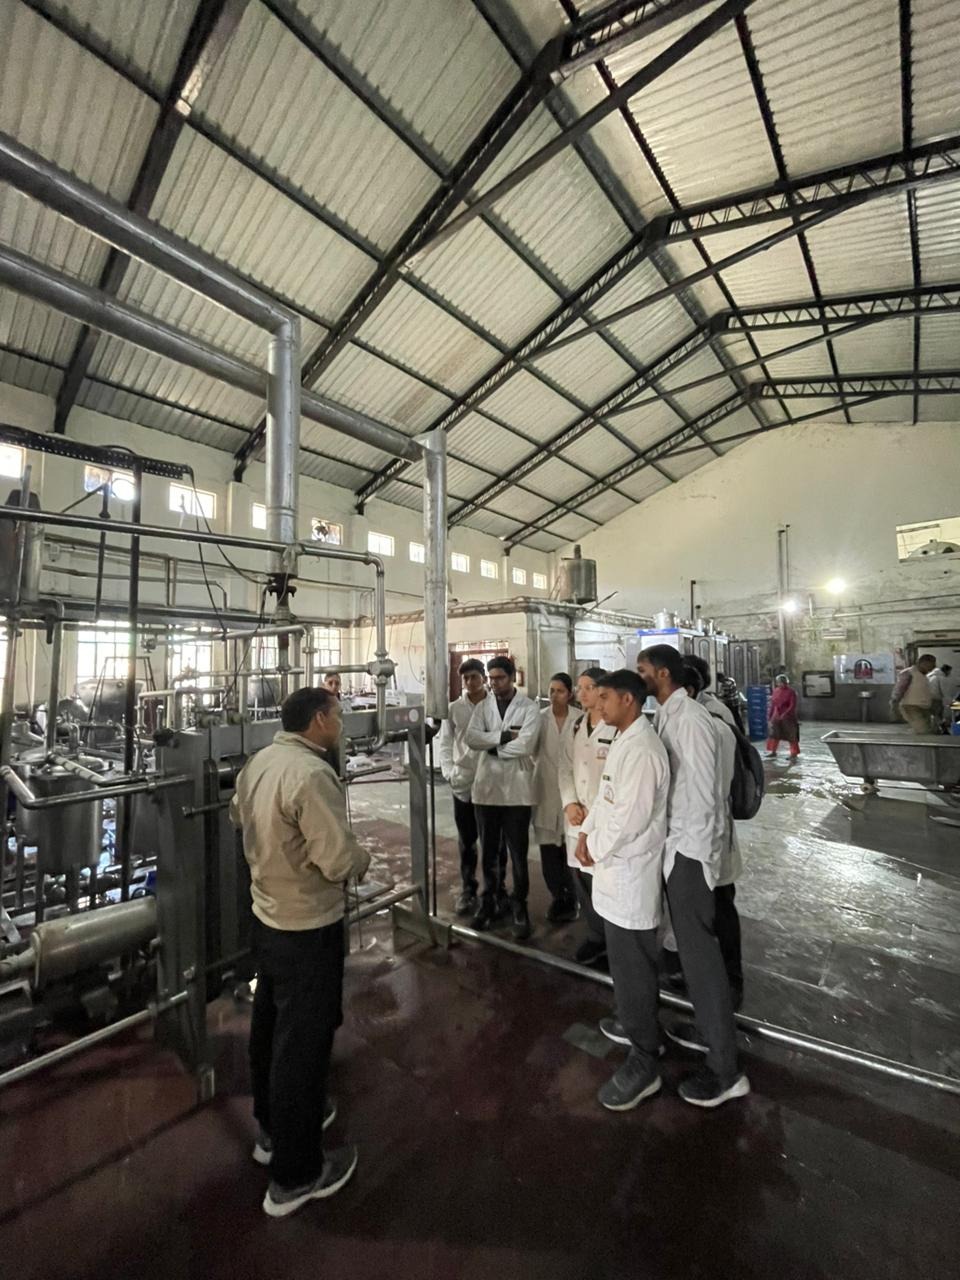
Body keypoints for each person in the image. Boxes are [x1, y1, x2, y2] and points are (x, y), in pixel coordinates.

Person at [230, 687, 369, 1218]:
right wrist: (361, 859)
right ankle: (296, 1175)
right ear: (318, 721)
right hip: (307, 925)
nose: (342, 725)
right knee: (303, 1047)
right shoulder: (312, 774)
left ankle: (273, 1129)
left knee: (270, 1025)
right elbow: (336, 859)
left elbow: (237, 815)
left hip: (267, 914)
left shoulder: (261, 760)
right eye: (338, 716)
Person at [636, 645, 749, 1108]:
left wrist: (695, 861)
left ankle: (725, 1070)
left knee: (701, 960)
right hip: (677, 849)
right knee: (694, 955)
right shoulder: (668, 715)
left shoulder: (694, 721)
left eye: (642, 670)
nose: (638, 677)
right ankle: (708, 1031)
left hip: (690, 853)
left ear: (663, 674)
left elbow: (705, 800)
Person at [575, 670, 670, 1111]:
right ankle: (642, 1028)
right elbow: (604, 799)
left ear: (628, 700)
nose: (598, 704)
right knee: (626, 968)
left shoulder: (644, 750)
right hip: (613, 872)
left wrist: (593, 846)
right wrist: (585, 834)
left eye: (605, 697)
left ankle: (645, 1060)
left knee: (634, 970)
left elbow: (629, 818)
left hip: (630, 876)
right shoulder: (623, 740)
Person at [671, 666, 744, 1030]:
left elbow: (710, 789)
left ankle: (729, 981)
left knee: (720, 908)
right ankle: (700, 975)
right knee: (703, 913)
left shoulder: (710, 721)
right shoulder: (690, 716)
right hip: (695, 835)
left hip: (709, 834)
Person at [466, 655, 541, 940]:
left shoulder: (529, 707)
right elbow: (472, 738)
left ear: (512, 678)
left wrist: (493, 747)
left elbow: (527, 745)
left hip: (517, 793)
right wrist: (503, 737)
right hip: (486, 790)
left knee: (518, 853)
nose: (494, 683)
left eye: (499, 678)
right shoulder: (483, 707)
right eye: (491, 678)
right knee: (489, 852)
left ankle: (519, 905)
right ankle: (489, 902)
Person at [438, 658, 506, 917]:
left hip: (491, 782)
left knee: (495, 842)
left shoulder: (496, 706)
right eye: (465, 678)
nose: (469, 682)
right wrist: (449, 772)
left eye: (474, 677)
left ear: (483, 678)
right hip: (463, 782)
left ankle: (497, 890)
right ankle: (468, 890)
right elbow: (446, 743)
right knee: (467, 841)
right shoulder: (454, 709)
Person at [558, 667, 616, 966]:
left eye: (587, 687)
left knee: (604, 881)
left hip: (603, 819)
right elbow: (564, 767)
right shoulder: (577, 725)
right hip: (576, 817)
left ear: (603, 690)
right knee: (581, 878)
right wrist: (569, 803)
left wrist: (594, 813)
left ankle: (611, 941)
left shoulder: (615, 727)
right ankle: (596, 935)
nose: (580, 693)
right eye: (579, 688)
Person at [532, 673, 579, 925]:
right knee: (549, 848)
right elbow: (531, 750)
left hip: (573, 792)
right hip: (545, 790)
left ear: (570, 694)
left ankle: (573, 896)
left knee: (570, 846)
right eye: (551, 691)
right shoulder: (539, 719)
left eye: (560, 691)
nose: (554, 696)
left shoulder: (579, 719)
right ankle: (557, 896)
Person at [891, 654, 937, 734]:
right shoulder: (909, 673)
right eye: (931, 664)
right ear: (923, 663)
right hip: (911, 706)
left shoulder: (925, 676)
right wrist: (894, 702)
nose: (933, 667)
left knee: (929, 730)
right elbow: (899, 688)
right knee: (923, 730)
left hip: (925, 707)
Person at [766, 674, 800, 759]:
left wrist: (785, 714)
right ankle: (773, 751)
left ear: (786, 682)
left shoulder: (791, 692)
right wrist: (770, 716)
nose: (780, 684)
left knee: (791, 735)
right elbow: (773, 704)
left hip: (788, 717)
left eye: (782, 682)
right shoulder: (776, 691)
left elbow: (792, 705)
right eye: (779, 682)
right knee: (774, 734)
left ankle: (793, 753)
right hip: (776, 715)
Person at [927, 662, 953, 732]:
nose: (950, 673)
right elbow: (944, 691)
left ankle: (935, 729)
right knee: (938, 714)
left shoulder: (930, 675)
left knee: (933, 714)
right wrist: (950, 702)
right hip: (936, 698)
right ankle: (942, 726)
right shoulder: (941, 678)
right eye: (949, 671)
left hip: (927, 698)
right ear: (946, 670)